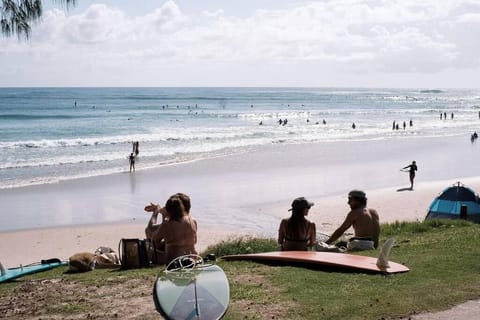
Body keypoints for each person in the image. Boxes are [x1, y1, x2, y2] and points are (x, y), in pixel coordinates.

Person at [144, 194, 197, 265]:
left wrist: (157, 213)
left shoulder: (167, 224)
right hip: (192, 258)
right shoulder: (193, 221)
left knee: (147, 246)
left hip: (174, 262)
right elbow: (195, 241)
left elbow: (153, 239)